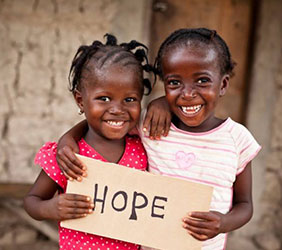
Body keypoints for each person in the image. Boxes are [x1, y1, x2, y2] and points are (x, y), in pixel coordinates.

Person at [57, 28, 261, 250]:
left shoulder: (237, 139)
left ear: (222, 85)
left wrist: (223, 223)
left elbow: (245, 205)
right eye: (174, 83)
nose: (188, 93)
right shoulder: (153, 127)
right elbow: (104, 121)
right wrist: (68, 138)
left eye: (202, 81)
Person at [23, 34, 166, 250]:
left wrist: (162, 103)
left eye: (129, 100)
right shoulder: (68, 156)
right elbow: (32, 201)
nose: (117, 109)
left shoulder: (143, 146)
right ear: (80, 100)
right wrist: (50, 208)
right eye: (104, 98)